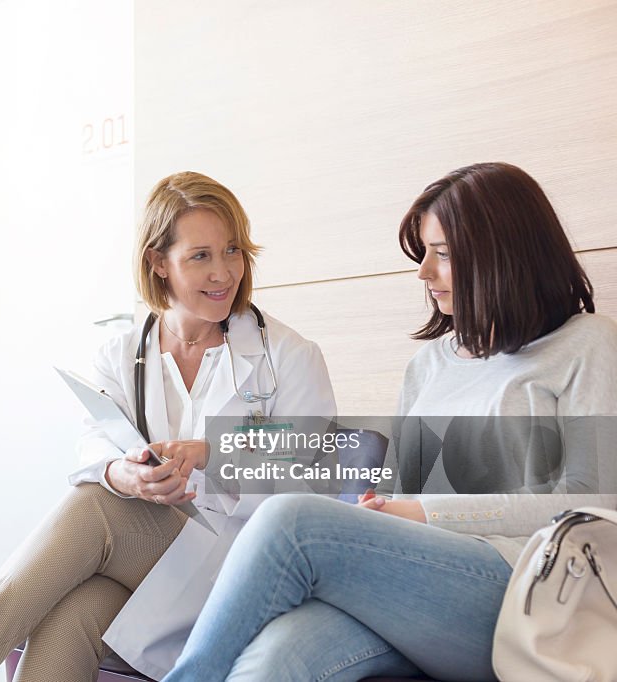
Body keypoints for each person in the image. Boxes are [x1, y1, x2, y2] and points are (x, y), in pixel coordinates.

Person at [161, 162, 617, 682]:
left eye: (442, 255)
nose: (424, 273)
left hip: (520, 586)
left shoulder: (587, 344)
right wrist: (382, 506)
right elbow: (401, 485)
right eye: (424, 254)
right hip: (415, 583)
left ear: (505, 255)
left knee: (291, 522)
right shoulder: (429, 365)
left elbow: (589, 503)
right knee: (277, 656)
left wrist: (424, 512)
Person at [0, 171, 336, 682]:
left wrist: (211, 454)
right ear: (158, 262)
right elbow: (94, 446)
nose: (223, 273)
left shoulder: (289, 357)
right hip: (157, 571)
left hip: (246, 568)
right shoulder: (122, 355)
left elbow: (315, 472)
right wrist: (126, 474)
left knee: (95, 506)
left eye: (232, 251)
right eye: (200, 256)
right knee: (73, 610)